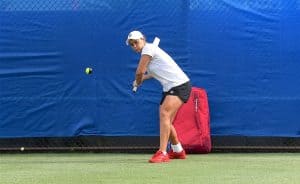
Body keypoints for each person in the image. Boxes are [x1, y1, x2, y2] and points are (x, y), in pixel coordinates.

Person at [126, 30, 191, 163]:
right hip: (171, 87)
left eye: (136, 42)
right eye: (131, 45)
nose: (134, 46)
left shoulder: (148, 49)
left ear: (143, 39)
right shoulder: (148, 52)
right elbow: (153, 73)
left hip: (179, 85)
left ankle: (162, 153)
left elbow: (139, 72)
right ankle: (178, 150)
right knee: (166, 119)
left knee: (164, 114)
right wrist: (143, 79)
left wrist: (139, 80)